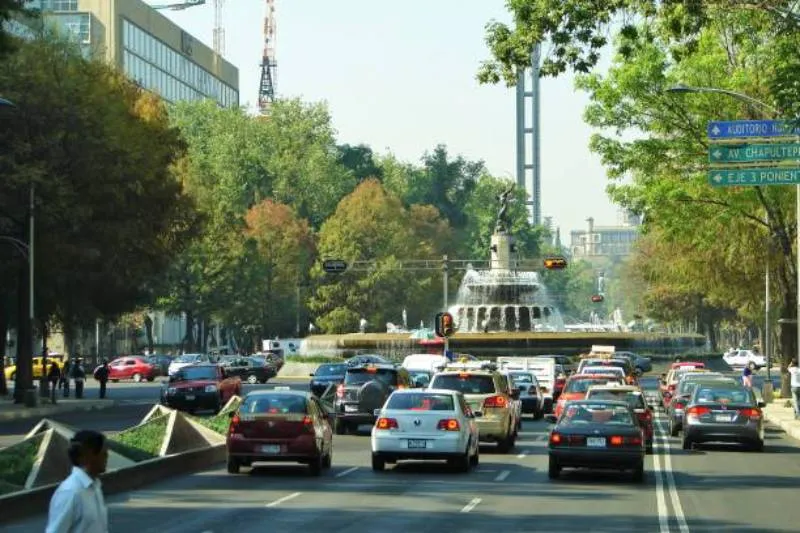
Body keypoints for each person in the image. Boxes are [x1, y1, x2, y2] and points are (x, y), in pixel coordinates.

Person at [45, 429, 109, 533]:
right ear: (89, 455)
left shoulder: (95, 487)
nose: (107, 456)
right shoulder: (70, 492)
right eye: (104, 453)